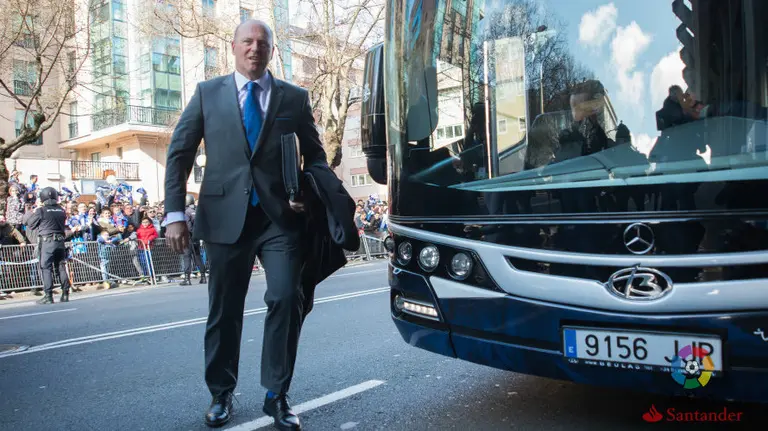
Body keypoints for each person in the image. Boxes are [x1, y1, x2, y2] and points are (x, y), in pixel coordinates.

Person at [164, 19, 331, 429]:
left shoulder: (295, 97)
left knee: (286, 298)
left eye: (262, 43)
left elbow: (318, 158)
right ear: (233, 47)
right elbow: (179, 153)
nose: (254, 48)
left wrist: (306, 196)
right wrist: (174, 215)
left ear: (272, 50)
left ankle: (277, 395)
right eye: (247, 42)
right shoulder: (207, 94)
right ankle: (221, 394)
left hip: (281, 221)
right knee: (224, 310)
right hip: (223, 219)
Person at [24, 187, 72, 304]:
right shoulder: (61, 210)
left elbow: (29, 224)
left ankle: (48, 295)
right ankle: (65, 294)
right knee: (61, 266)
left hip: (47, 242)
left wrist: (33, 211)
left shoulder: (41, 210)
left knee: (46, 268)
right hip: (60, 241)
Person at [180, 194, 206, 286]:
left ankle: (187, 279)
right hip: (196, 237)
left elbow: (188, 226)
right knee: (198, 256)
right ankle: (203, 277)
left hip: (188, 237)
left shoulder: (186, 212)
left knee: (187, 257)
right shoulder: (196, 210)